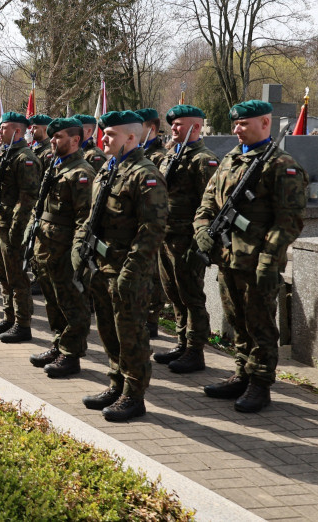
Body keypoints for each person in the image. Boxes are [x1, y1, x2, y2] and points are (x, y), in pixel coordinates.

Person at [194, 99, 308, 413]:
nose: (237, 129)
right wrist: (202, 229)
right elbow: (207, 204)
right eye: (235, 124)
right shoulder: (231, 159)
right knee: (237, 321)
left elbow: (289, 221)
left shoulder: (280, 164)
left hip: (258, 263)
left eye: (243, 124)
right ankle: (242, 372)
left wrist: (269, 260)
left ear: (265, 123)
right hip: (228, 257)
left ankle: (260, 383)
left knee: (260, 324)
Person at [73, 110, 168, 422]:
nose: (104, 138)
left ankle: (134, 395)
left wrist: (131, 270)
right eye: (104, 133)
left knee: (131, 334)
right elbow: (93, 216)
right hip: (101, 266)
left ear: (131, 137)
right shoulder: (108, 170)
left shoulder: (145, 174)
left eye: (111, 134)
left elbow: (151, 230)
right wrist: (80, 247)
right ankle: (116, 383)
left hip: (128, 270)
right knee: (108, 330)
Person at [26, 117, 94, 378]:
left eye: (59, 137)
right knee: (54, 303)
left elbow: (84, 219)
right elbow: (40, 206)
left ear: (75, 140)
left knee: (73, 305)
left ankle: (71, 355)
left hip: (65, 252)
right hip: (47, 249)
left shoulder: (82, 173)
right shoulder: (54, 168)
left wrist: (77, 253)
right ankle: (59, 344)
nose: (53, 141)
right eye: (52, 137)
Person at [153, 105, 219, 374]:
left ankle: (195, 350)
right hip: (166, 236)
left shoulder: (204, 159)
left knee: (191, 295)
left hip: (187, 239)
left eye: (180, 124)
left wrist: (200, 238)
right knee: (174, 294)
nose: (174, 129)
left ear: (196, 126)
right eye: (173, 124)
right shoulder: (170, 156)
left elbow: (211, 203)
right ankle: (182, 342)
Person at [0, 112, 43, 341]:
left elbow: (27, 198)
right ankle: (9, 317)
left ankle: (23, 323)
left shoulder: (25, 158)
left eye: (4, 128)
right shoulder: (3, 154)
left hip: (12, 227)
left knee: (17, 276)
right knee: (3, 274)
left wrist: (17, 230)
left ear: (17, 130)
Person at [136, 107, 167, 338]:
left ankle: (151, 320)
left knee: (153, 276)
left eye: (140, 128)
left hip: (158, 226)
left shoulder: (159, 157)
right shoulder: (137, 154)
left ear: (152, 129)